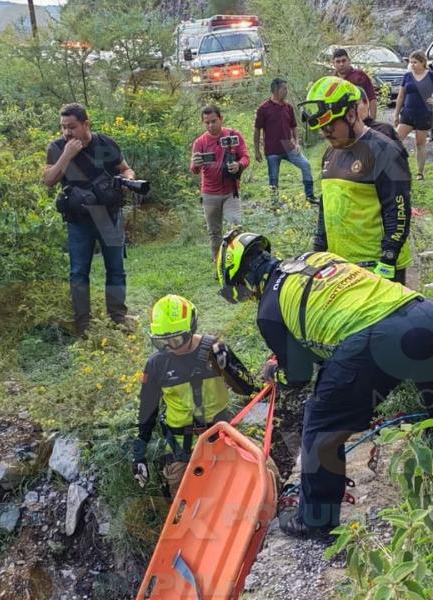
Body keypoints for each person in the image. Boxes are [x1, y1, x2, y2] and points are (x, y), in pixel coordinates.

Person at [215, 229, 433, 538]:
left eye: (241, 292)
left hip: (379, 341)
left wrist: (276, 374)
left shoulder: (269, 310)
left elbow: (297, 377)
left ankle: (316, 520)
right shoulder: (316, 258)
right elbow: (340, 314)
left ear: (244, 280)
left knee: (322, 424)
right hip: (428, 319)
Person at [132, 294, 257, 495]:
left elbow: (247, 389)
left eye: (176, 339)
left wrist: (228, 369)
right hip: (183, 447)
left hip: (222, 435)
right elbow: (147, 411)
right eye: (161, 342)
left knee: (262, 469)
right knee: (184, 497)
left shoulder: (215, 350)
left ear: (192, 328)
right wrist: (138, 454)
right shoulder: (157, 365)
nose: (170, 348)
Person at [298, 76, 413, 284]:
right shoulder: (330, 153)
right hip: (341, 266)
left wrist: (388, 259)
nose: (326, 134)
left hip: (377, 266)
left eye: (331, 127)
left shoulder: (384, 151)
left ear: (351, 115)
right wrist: (318, 251)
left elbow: (398, 210)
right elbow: (327, 206)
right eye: (322, 130)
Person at [44, 103, 136, 336]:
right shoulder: (57, 148)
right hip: (78, 220)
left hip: (109, 215)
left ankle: (118, 317)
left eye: (72, 127)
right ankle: (83, 325)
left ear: (86, 124)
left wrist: (127, 180)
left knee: (115, 269)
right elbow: (49, 180)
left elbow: (125, 169)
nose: (67, 132)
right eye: (63, 127)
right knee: (78, 272)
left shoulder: (105, 144)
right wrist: (67, 154)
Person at [191, 105, 250, 262]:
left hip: (231, 191)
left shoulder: (234, 135)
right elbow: (194, 170)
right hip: (210, 193)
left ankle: (237, 262)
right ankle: (218, 264)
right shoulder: (200, 142)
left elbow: (245, 157)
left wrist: (239, 165)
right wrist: (195, 163)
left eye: (214, 121)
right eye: (207, 122)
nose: (211, 125)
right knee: (214, 232)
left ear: (221, 119)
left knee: (236, 227)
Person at [253, 78, 316, 202]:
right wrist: (257, 151)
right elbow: (257, 130)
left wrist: (297, 142)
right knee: (274, 178)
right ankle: (275, 202)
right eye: (284, 89)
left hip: (288, 146)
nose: (287, 91)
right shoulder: (264, 108)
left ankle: (310, 196)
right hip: (272, 148)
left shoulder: (288, 107)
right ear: (276, 90)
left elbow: (294, 126)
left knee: (305, 165)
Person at [393, 50, 433, 180]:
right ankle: (397, 167)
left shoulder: (431, 75)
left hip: (424, 114)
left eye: (415, 62)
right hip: (407, 113)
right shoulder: (407, 76)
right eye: (411, 62)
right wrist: (396, 114)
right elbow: (401, 96)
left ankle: (420, 172)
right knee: (395, 140)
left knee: (420, 143)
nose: (412, 65)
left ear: (423, 62)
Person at [332, 47, 378, 120]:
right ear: (333, 64)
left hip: (361, 120)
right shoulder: (332, 80)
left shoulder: (360, 75)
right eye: (338, 62)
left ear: (349, 61)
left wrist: (372, 120)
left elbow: (372, 99)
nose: (341, 64)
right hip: (341, 122)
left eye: (344, 61)